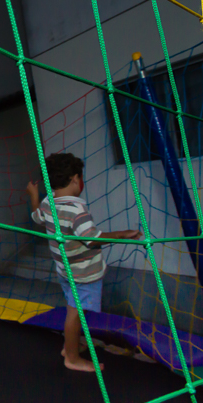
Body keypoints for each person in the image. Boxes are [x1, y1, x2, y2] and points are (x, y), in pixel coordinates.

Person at [26, 152, 141, 372]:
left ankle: (71, 345)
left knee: (77, 311)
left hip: (65, 270)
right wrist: (122, 234)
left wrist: (33, 194)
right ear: (76, 179)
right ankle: (71, 357)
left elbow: (36, 218)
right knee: (75, 315)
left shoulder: (48, 201)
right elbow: (91, 240)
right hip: (82, 274)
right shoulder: (76, 210)